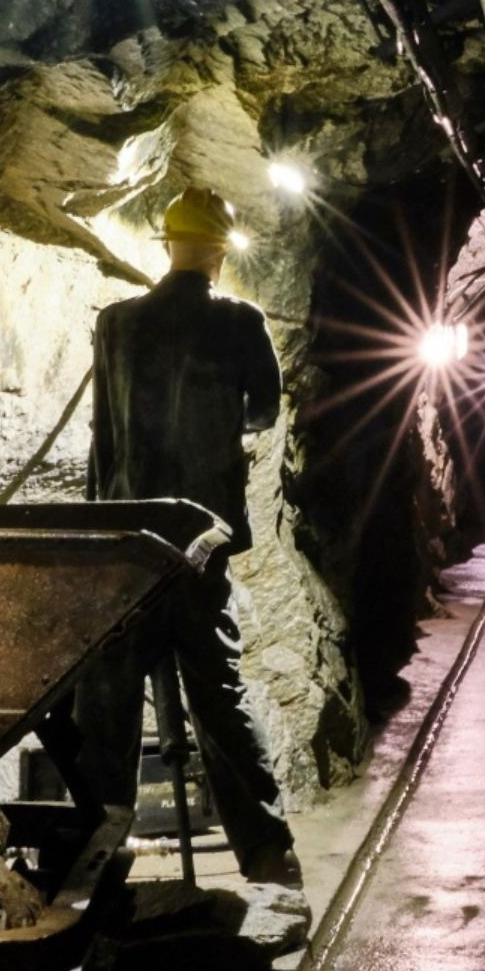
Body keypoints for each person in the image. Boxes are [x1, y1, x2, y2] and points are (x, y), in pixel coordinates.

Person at [73, 186, 303, 895]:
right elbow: (263, 411)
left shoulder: (115, 324)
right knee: (220, 698)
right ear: (219, 251)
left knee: (104, 706)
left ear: (169, 244)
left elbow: (102, 439)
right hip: (199, 545)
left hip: (131, 549)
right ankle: (265, 853)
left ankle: (90, 860)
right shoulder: (239, 321)